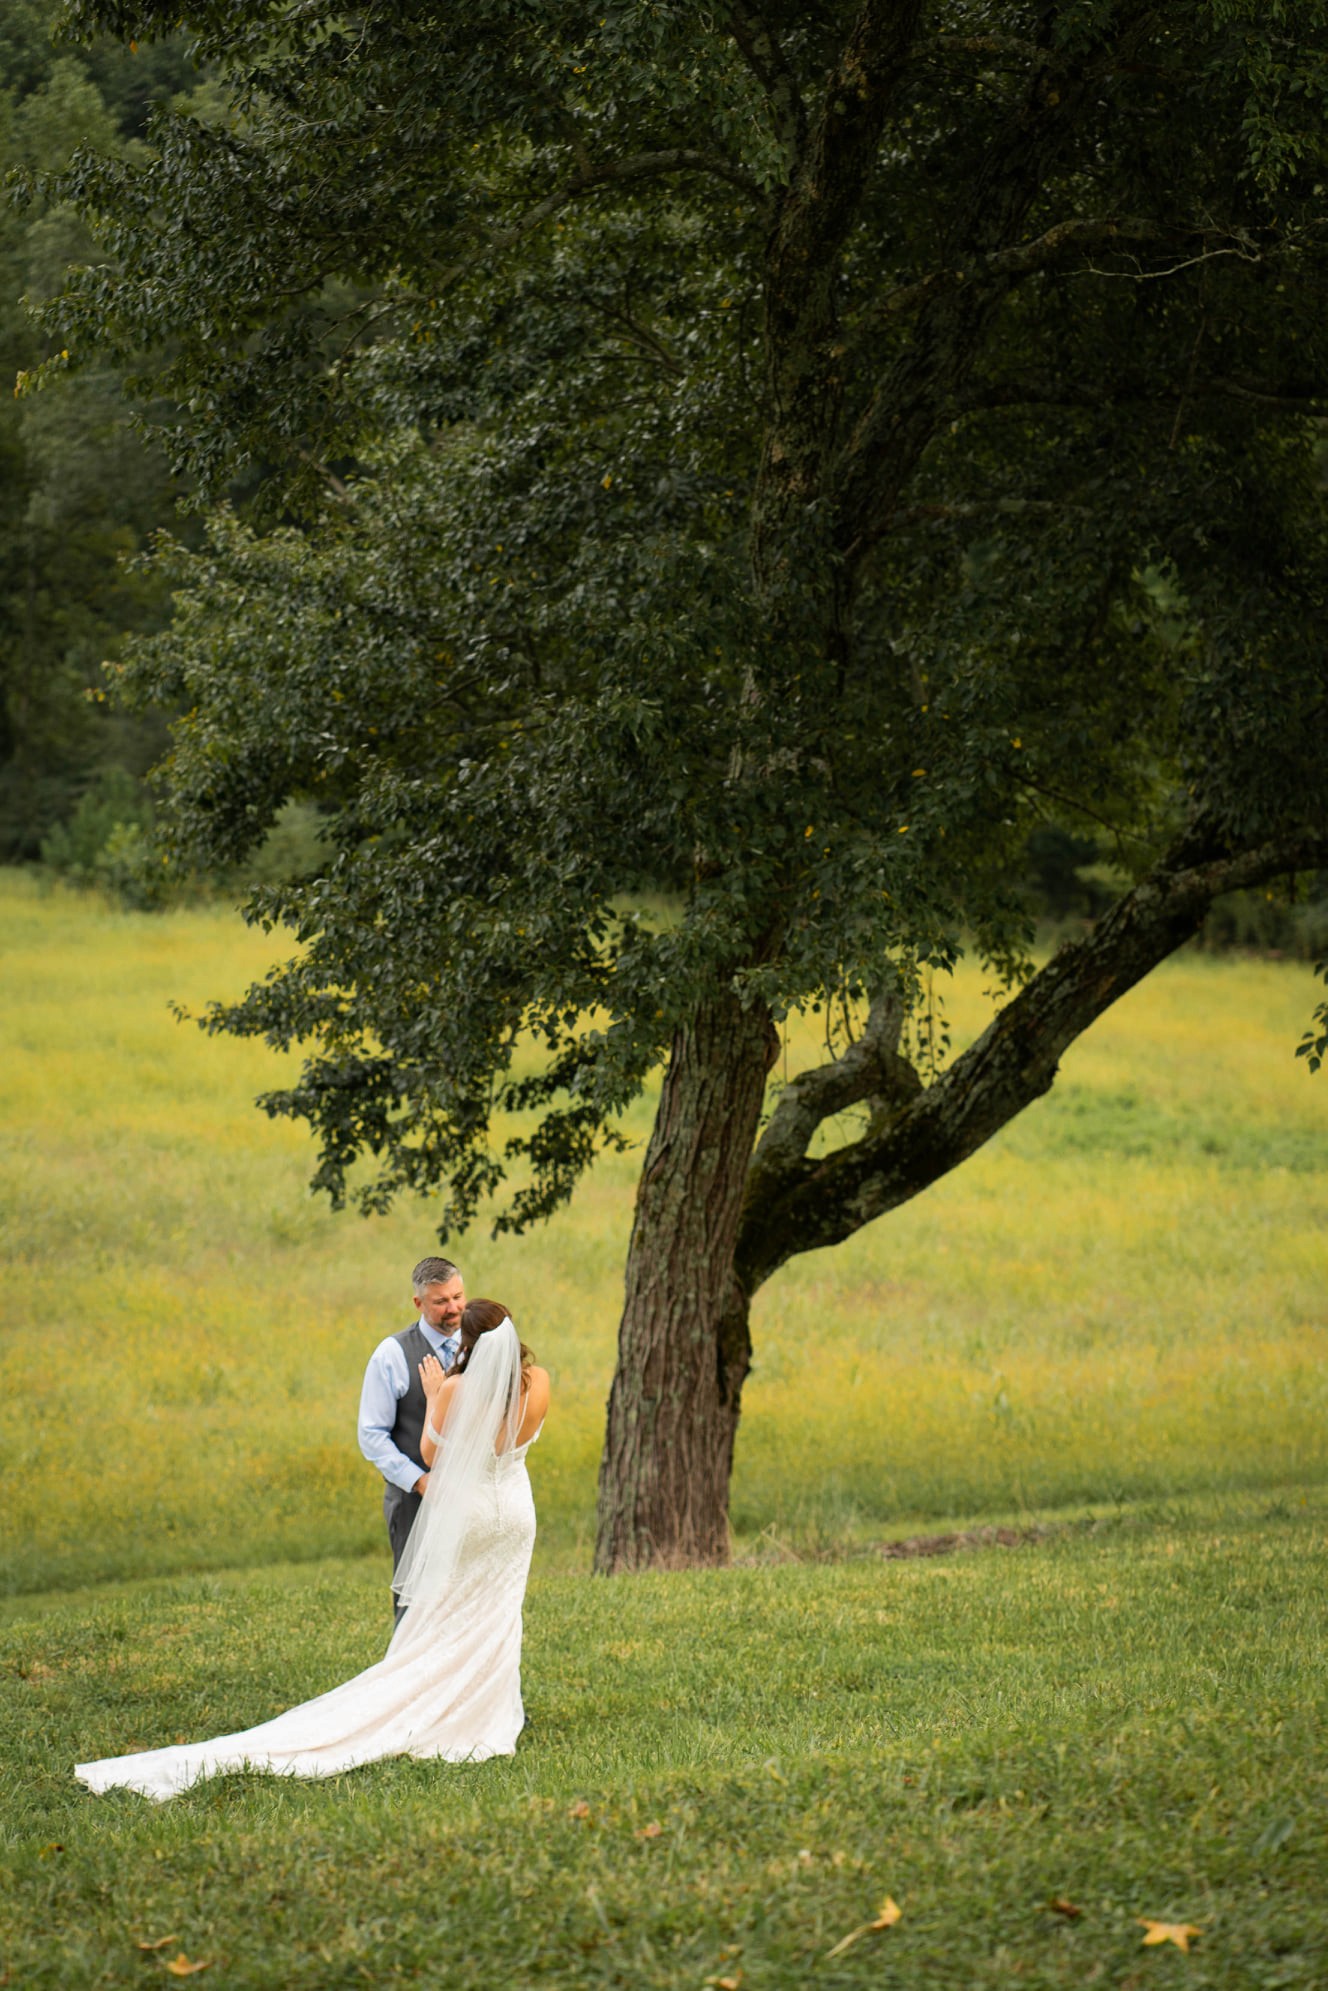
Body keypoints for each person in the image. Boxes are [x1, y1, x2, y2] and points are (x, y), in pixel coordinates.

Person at [74, 1302, 549, 1801]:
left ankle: (440, 1706)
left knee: (448, 1611)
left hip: (470, 1512)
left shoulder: (455, 1388)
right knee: (498, 1610)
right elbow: (509, 1441)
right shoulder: (538, 1380)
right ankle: (487, 1711)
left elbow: (433, 1455)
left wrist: (434, 1397)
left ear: (471, 1344)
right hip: (515, 1514)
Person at [357, 1255, 466, 1616]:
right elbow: (372, 1435)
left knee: (466, 1599)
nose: (454, 1308)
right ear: (419, 1303)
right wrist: (419, 1481)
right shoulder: (392, 1354)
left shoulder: (480, 1344)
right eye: (441, 1302)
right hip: (415, 1501)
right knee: (417, 1604)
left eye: (458, 1296)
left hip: (472, 1496)